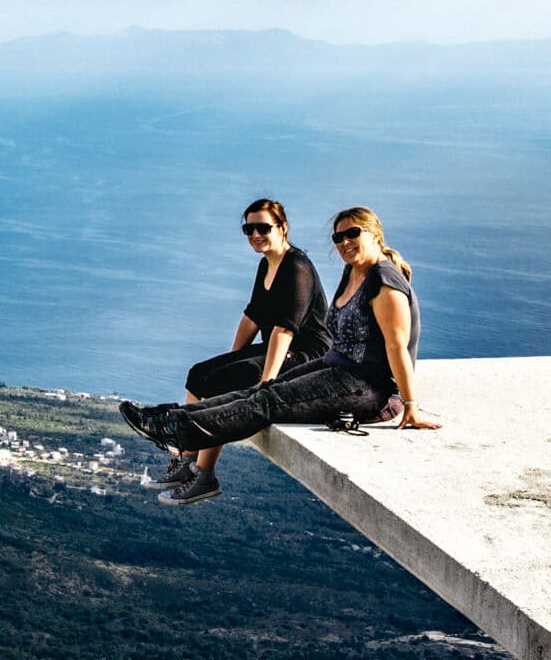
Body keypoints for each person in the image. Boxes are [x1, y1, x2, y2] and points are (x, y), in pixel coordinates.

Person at [121, 206, 440, 501]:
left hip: (367, 387)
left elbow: (397, 346)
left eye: (353, 233)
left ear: (375, 235)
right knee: (262, 391)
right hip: (337, 368)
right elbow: (256, 315)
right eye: (338, 237)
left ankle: (177, 431)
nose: (344, 242)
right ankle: (169, 418)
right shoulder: (354, 272)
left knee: (267, 402)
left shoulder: (384, 281)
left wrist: (410, 405)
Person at [142, 199, 331, 506]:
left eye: (263, 227)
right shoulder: (267, 263)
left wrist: (266, 382)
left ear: (283, 228)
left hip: (305, 356)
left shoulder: (297, 267)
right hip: (278, 348)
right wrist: (229, 360)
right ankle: (188, 458)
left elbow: (285, 329)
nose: (255, 234)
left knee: (223, 382)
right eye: (249, 229)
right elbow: (253, 316)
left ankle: (205, 474)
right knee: (200, 374)